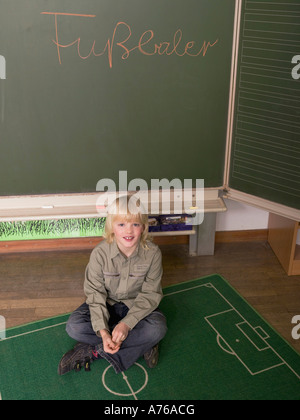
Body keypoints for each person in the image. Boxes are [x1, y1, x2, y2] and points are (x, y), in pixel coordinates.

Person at [58, 195, 167, 375]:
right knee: (74, 326)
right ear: (111, 227)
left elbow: (151, 294)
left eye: (135, 224)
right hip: (107, 304)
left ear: (144, 227)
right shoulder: (99, 254)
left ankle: (95, 351)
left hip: (136, 307)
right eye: (121, 224)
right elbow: (95, 293)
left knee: (157, 328)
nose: (129, 231)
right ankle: (143, 345)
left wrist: (126, 324)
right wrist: (103, 331)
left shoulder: (153, 253)